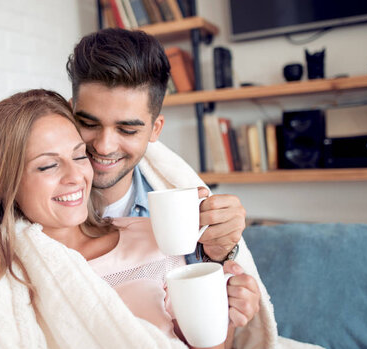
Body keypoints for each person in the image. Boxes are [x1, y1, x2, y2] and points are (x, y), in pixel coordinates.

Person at [0, 89, 364, 349]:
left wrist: (224, 314)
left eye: (77, 156)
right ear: (4, 181)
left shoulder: (149, 237)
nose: (76, 175)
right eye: (47, 165)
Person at [66, 28, 258, 327]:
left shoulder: (181, 212)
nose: (104, 146)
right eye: (89, 123)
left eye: (127, 130)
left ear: (155, 129)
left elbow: (206, 338)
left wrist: (222, 267)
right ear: (70, 112)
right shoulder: (34, 204)